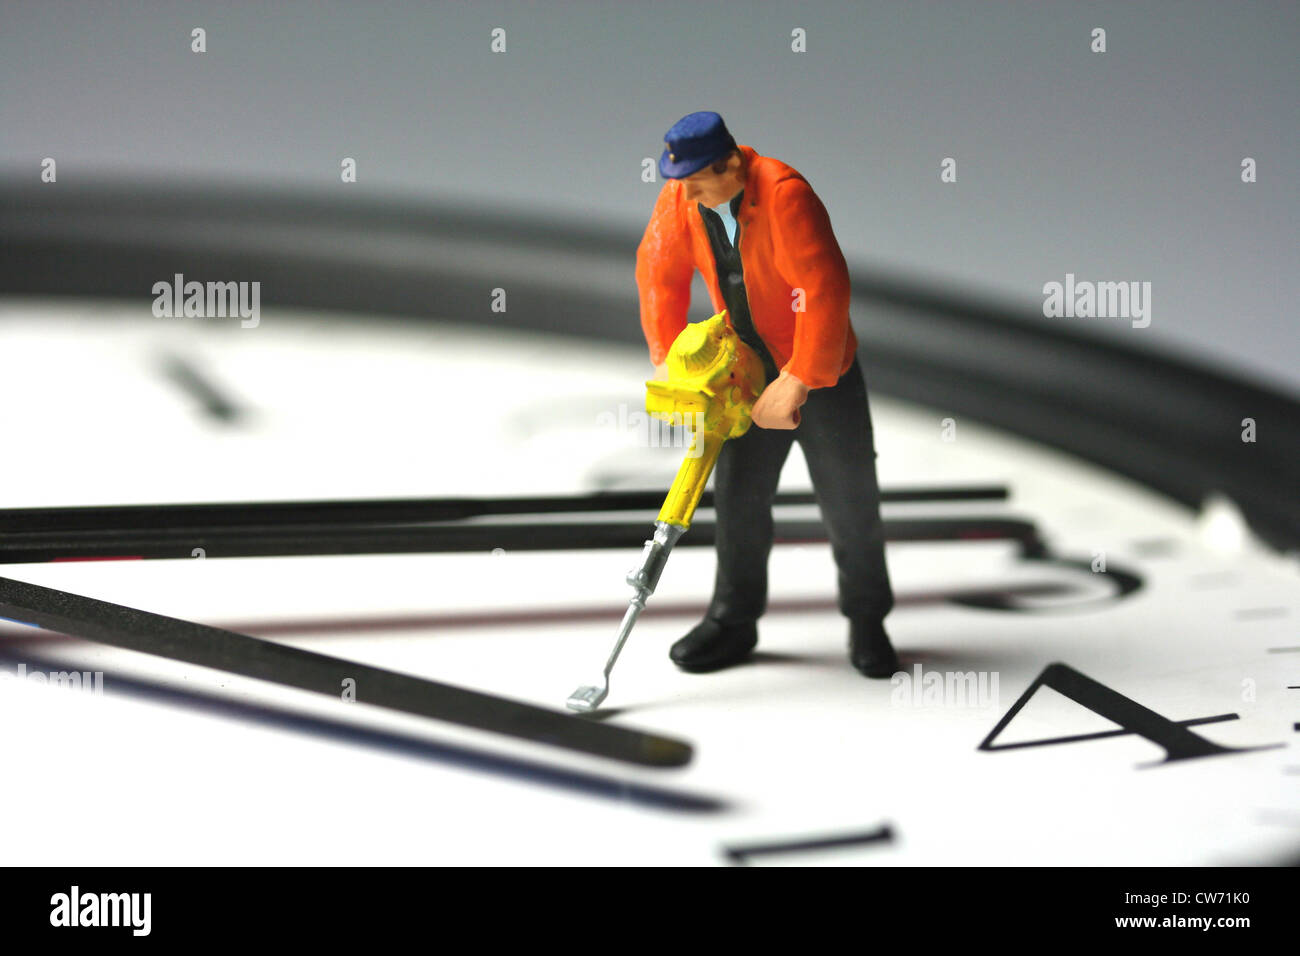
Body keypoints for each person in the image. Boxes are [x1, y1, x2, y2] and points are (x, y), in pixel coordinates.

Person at [635, 110, 898, 678]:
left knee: (849, 502)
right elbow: (658, 270)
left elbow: (824, 289)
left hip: (822, 375)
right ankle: (733, 618)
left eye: (699, 181)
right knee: (737, 503)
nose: (688, 195)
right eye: (680, 183)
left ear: (730, 163)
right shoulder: (684, 198)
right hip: (743, 377)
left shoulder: (784, 195)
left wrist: (800, 377)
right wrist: (670, 359)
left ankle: (867, 618)